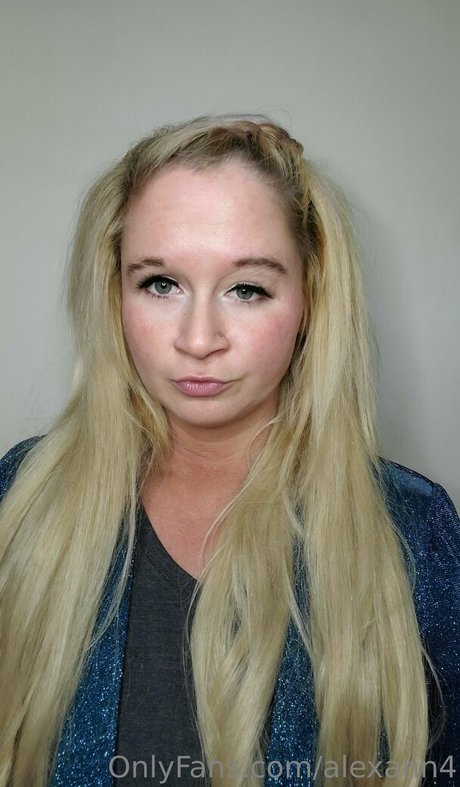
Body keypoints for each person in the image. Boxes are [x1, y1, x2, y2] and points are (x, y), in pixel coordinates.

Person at [0, 114, 458, 787]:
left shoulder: (413, 529)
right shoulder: (20, 496)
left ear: (310, 299)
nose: (198, 338)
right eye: (160, 283)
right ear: (113, 292)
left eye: (247, 288)